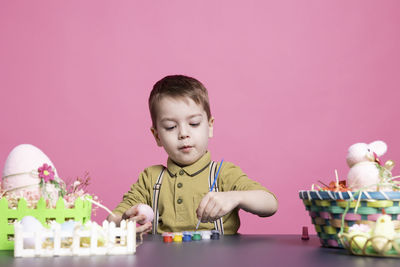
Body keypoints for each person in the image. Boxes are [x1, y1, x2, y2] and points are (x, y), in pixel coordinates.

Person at [107, 75, 278, 234]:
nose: (183, 134)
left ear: (210, 126)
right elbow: (112, 218)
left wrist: (236, 197)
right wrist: (123, 219)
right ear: (157, 136)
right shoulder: (150, 179)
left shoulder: (223, 173)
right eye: (170, 127)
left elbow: (270, 204)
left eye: (194, 123)